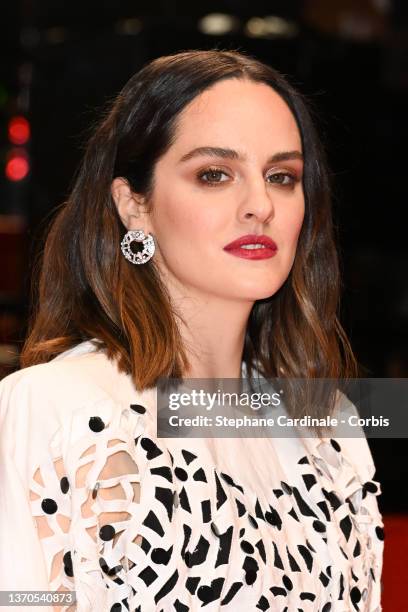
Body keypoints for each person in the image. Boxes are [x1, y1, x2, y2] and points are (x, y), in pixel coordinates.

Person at [0, 49, 384, 612]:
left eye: (282, 177)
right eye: (214, 175)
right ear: (134, 204)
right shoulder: (54, 410)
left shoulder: (332, 428)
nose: (260, 205)